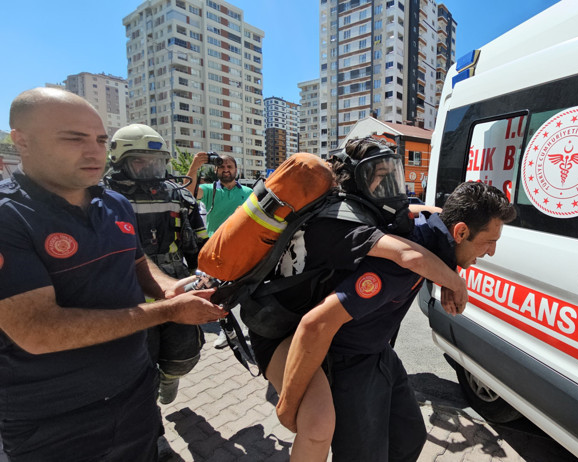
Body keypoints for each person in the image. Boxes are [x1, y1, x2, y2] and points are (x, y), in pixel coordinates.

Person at [0, 87, 226, 462]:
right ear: (21, 141)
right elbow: (38, 331)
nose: (93, 151)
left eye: (100, 140)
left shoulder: (114, 202)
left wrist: (171, 288)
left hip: (134, 391)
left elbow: (137, 261)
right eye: (74, 138)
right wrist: (168, 311)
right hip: (52, 418)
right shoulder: (9, 217)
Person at [246, 138, 470, 461]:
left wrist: (439, 216)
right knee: (318, 423)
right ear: (356, 183)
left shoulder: (367, 212)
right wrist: (454, 282)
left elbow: (414, 208)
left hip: (313, 331)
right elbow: (407, 254)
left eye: (392, 173)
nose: (390, 185)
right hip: (279, 330)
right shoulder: (345, 225)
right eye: (377, 177)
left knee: (406, 436)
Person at [276, 181, 517, 462]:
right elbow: (315, 324)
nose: (491, 252)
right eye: (490, 241)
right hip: (347, 363)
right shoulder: (399, 266)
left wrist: (450, 276)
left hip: (380, 353)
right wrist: (287, 405)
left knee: (409, 437)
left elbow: (436, 216)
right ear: (461, 232)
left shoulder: (432, 230)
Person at [105, 124, 209, 405]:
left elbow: (199, 242)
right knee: (139, 367)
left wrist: (206, 275)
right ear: (120, 161)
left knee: (185, 355)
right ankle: (154, 426)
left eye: (157, 162)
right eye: (141, 161)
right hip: (128, 295)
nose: (151, 167)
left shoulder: (178, 195)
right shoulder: (101, 199)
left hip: (176, 285)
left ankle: (170, 377)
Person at [185, 151, 253, 348]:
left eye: (229, 167)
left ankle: (248, 326)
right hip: (216, 252)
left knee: (246, 290)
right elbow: (188, 193)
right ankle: (228, 332)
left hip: (242, 251)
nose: (226, 170)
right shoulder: (209, 190)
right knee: (219, 294)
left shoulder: (248, 193)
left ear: (236, 170)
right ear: (216, 170)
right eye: (222, 167)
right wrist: (195, 166)